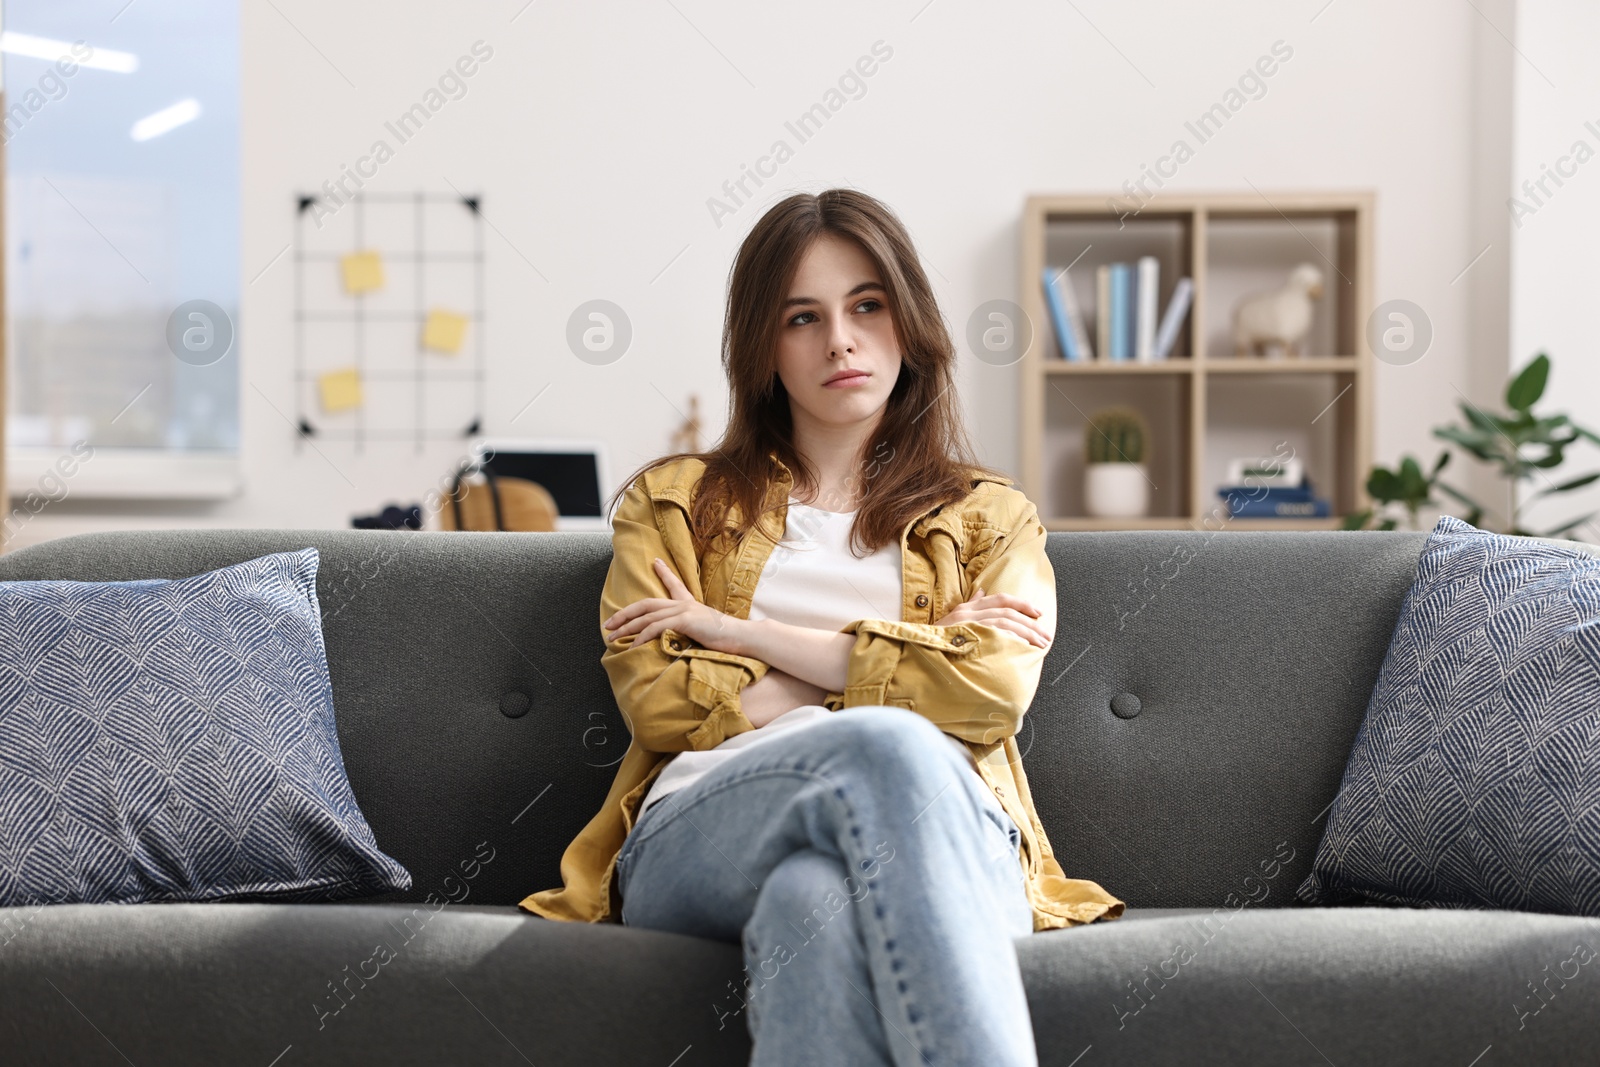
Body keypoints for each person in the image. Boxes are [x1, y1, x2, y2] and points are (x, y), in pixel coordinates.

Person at [518, 189, 1124, 1066]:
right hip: (709, 822)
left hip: (955, 834)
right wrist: (897, 672)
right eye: (803, 317)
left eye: (867, 306)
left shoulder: (992, 518)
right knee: (891, 747)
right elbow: (664, 706)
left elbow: (990, 693)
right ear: (764, 348)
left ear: (907, 322)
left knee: (812, 901)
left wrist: (745, 637)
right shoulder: (675, 503)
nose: (840, 339)